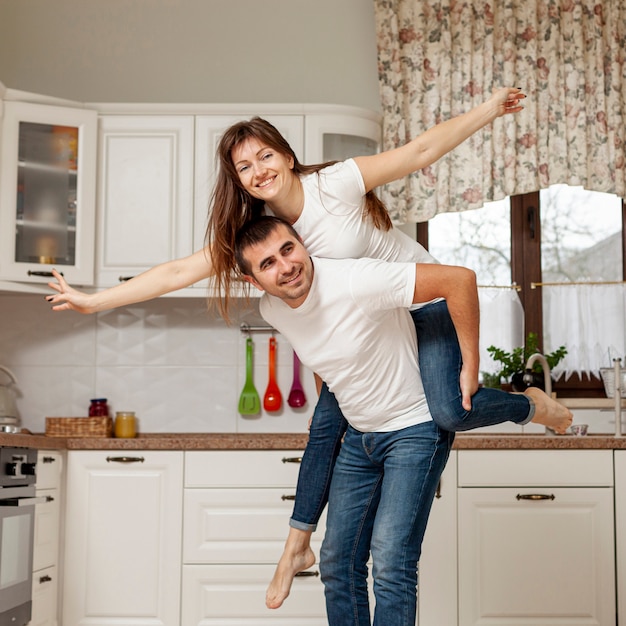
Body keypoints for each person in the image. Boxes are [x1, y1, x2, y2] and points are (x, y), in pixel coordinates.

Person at [45, 88, 573, 608]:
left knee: (446, 411)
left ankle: (532, 405)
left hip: (417, 302)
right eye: (244, 167)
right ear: (240, 183)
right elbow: (181, 271)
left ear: (288, 156)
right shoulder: (263, 238)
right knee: (325, 429)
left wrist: (488, 110)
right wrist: (96, 301)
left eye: (265, 155)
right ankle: (298, 545)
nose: (258, 170)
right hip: (371, 333)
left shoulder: (334, 186)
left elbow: (419, 153)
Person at [234, 214, 477, 625]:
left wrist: (469, 367)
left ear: (303, 243)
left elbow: (460, 279)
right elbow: (321, 348)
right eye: (267, 263)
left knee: (390, 558)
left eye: (287, 249)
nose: (285, 266)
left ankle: (528, 405)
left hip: (414, 428)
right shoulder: (273, 308)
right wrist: (324, 405)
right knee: (336, 561)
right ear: (256, 282)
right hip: (361, 434)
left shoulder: (357, 279)